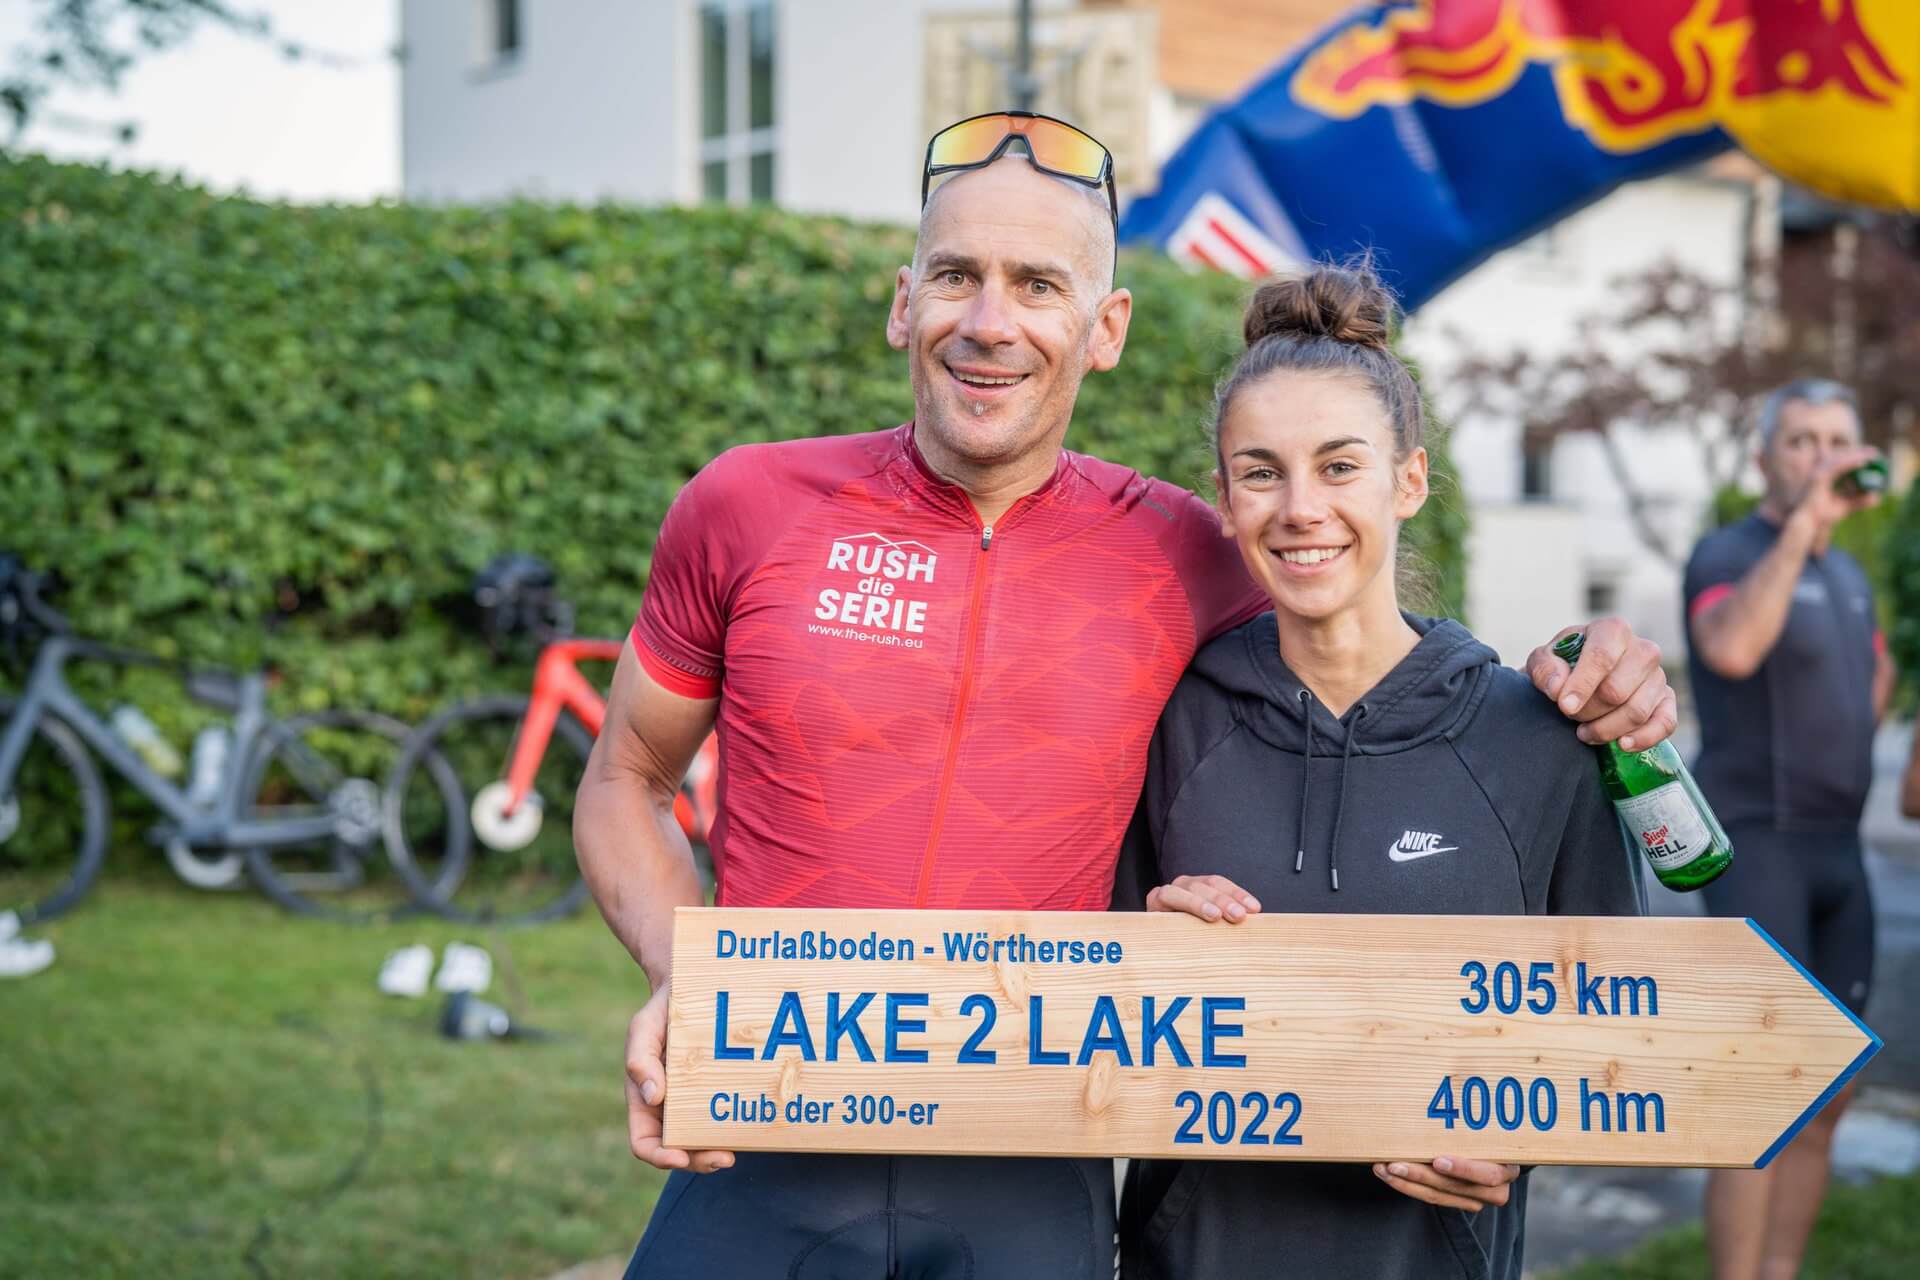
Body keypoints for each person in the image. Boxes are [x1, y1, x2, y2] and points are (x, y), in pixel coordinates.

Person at [574, 111, 1678, 1279]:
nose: (988, 321)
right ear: (904, 302)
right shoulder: (747, 505)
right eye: (955, 275)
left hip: (1028, 1166)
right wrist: (680, 972)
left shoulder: (1190, 549)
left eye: (1038, 284)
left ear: (1105, 330)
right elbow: (626, 777)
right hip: (760, 1132)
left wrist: (1585, 674)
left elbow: (1380, 676)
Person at [1111, 263, 1645, 1280]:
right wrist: (1146, 954)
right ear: (1223, 500)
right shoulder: (1167, 724)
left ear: (1409, 481)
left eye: (1340, 466)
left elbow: (1622, 1028)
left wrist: (1521, 1136)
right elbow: (1079, 1008)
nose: (1300, 507)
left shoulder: (1538, 740)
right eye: (1261, 472)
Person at [1684, 378, 1894, 1280]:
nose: (1821, 458)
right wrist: (1805, 525)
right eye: (1801, 440)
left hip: (1840, 850)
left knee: (1830, 1091)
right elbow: (1731, 647)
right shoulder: (1728, 552)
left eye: (1837, 441)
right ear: (1764, 457)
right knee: (1765, 1099)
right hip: (1757, 846)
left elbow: (1872, 682)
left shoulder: (1848, 575)